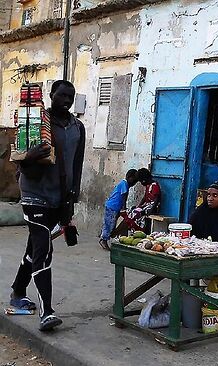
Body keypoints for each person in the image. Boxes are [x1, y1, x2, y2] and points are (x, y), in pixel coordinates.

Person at [10, 80, 85, 332]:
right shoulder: (36, 123)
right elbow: (20, 161)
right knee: (44, 249)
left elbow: (77, 165)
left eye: (71, 96)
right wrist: (31, 156)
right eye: (62, 95)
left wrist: (70, 205)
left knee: (34, 248)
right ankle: (47, 312)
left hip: (59, 198)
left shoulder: (78, 128)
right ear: (51, 95)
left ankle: (18, 292)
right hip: (34, 194)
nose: (66, 99)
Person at [99, 169, 138, 250]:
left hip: (115, 207)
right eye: (134, 181)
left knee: (111, 223)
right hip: (112, 207)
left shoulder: (124, 184)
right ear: (129, 177)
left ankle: (106, 236)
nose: (134, 183)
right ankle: (104, 239)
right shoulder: (124, 184)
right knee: (109, 224)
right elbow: (124, 196)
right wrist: (123, 208)